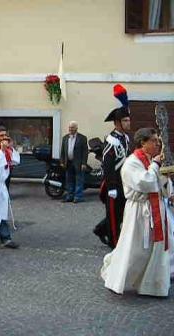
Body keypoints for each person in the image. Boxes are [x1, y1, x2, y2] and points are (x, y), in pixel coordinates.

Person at [101, 128, 172, 297]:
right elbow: (145, 182)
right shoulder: (132, 162)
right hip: (139, 211)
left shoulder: (151, 160)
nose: (157, 144)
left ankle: (153, 284)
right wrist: (155, 165)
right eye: (153, 140)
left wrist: (166, 179)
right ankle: (116, 276)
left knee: (157, 248)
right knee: (134, 248)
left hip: (156, 209)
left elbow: (160, 183)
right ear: (143, 142)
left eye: (157, 140)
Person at [94, 85, 131, 248]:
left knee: (122, 212)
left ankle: (101, 229)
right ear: (117, 123)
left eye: (129, 120)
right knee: (114, 215)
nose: (128, 123)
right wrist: (111, 187)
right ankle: (115, 243)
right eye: (125, 120)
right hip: (113, 184)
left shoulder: (125, 138)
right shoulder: (112, 141)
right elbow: (108, 165)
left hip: (123, 182)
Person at [60, 121, 88, 203]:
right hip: (68, 162)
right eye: (69, 127)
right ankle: (69, 196)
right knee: (69, 180)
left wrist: (84, 163)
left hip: (78, 163)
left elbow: (85, 152)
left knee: (79, 180)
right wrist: (62, 161)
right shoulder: (65, 138)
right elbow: (62, 151)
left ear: (76, 128)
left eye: (72, 127)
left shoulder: (82, 138)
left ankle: (78, 197)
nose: (70, 129)